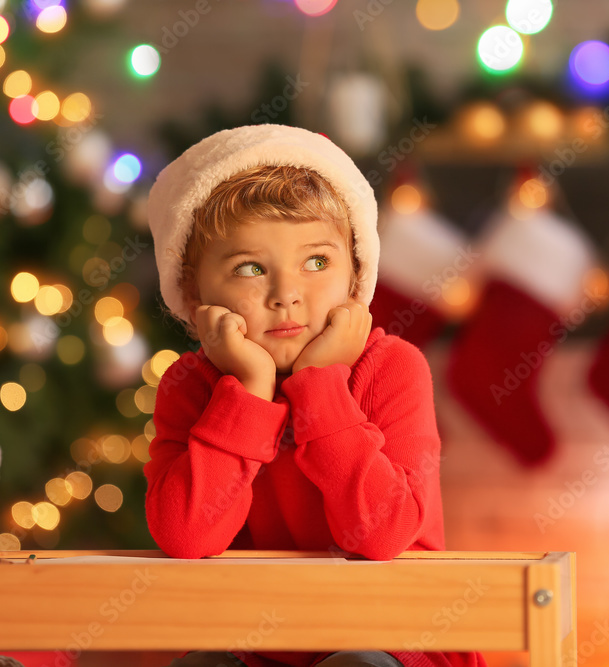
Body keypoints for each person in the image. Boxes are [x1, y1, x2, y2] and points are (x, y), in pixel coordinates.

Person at [144, 124, 487, 667]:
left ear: (356, 277)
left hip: (395, 640)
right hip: (257, 646)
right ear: (193, 295)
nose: (287, 295)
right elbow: (186, 535)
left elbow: (385, 534)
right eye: (250, 268)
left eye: (317, 262)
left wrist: (320, 386)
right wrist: (251, 392)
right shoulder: (189, 386)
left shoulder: (393, 369)